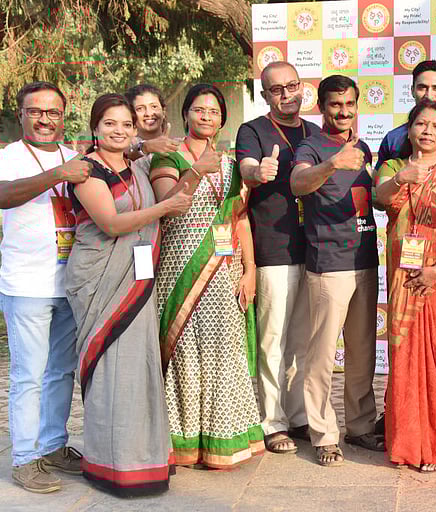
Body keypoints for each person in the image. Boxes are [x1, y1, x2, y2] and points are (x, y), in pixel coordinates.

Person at [66, 93, 192, 496]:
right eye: (109, 124)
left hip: (137, 278)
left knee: (138, 367)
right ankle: (111, 463)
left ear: (134, 130)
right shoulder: (86, 171)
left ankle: (145, 458)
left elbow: (143, 163)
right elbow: (112, 223)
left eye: (125, 124)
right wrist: (164, 208)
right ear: (94, 128)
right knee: (110, 371)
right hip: (99, 281)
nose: (118, 131)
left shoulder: (135, 164)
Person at [149, 83, 264, 468]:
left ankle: (221, 441)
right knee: (184, 352)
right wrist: (196, 171)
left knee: (223, 352)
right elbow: (168, 206)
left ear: (222, 119)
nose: (206, 117)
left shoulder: (231, 165)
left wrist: (250, 270)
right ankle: (182, 444)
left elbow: (239, 218)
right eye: (199, 110)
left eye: (214, 112)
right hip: (180, 268)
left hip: (224, 268)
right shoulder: (170, 157)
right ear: (185, 114)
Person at [0, 82, 91, 493]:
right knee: (28, 376)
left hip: (68, 283)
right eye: (35, 111)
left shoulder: (76, 158)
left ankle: (54, 446)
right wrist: (56, 175)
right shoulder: (10, 157)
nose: (44, 119)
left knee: (60, 372)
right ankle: (24, 459)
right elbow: (3, 196)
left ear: (64, 114)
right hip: (27, 284)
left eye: (53, 112)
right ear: (20, 114)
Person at [374, 99, 436, 472]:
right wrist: (401, 179)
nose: (427, 131)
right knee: (406, 357)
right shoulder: (393, 166)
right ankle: (406, 443)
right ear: (409, 129)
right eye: (421, 124)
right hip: (402, 271)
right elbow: (380, 201)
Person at [290, 75, 381, 466]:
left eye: (349, 104)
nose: (343, 111)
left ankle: (360, 427)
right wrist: (332, 163)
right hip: (329, 264)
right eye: (334, 105)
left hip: (365, 260)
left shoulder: (364, 147)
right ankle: (324, 432)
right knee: (323, 354)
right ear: (322, 107)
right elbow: (297, 184)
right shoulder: (311, 147)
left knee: (362, 352)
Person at [236, 60, 320, 454]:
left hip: (315, 248)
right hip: (273, 248)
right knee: (273, 341)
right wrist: (259, 171)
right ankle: (272, 421)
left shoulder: (315, 132)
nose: (287, 95)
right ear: (264, 94)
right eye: (277, 89)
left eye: (292, 86)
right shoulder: (252, 131)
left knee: (304, 340)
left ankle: (298, 415)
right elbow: (247, 169)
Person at [124, 83, 181, 175]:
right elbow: (123, 157)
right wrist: (145, 147)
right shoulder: (126, 145)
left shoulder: (177, 144)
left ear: (163, 111)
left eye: (154, 107)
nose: (149, 113)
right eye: (140, 109)